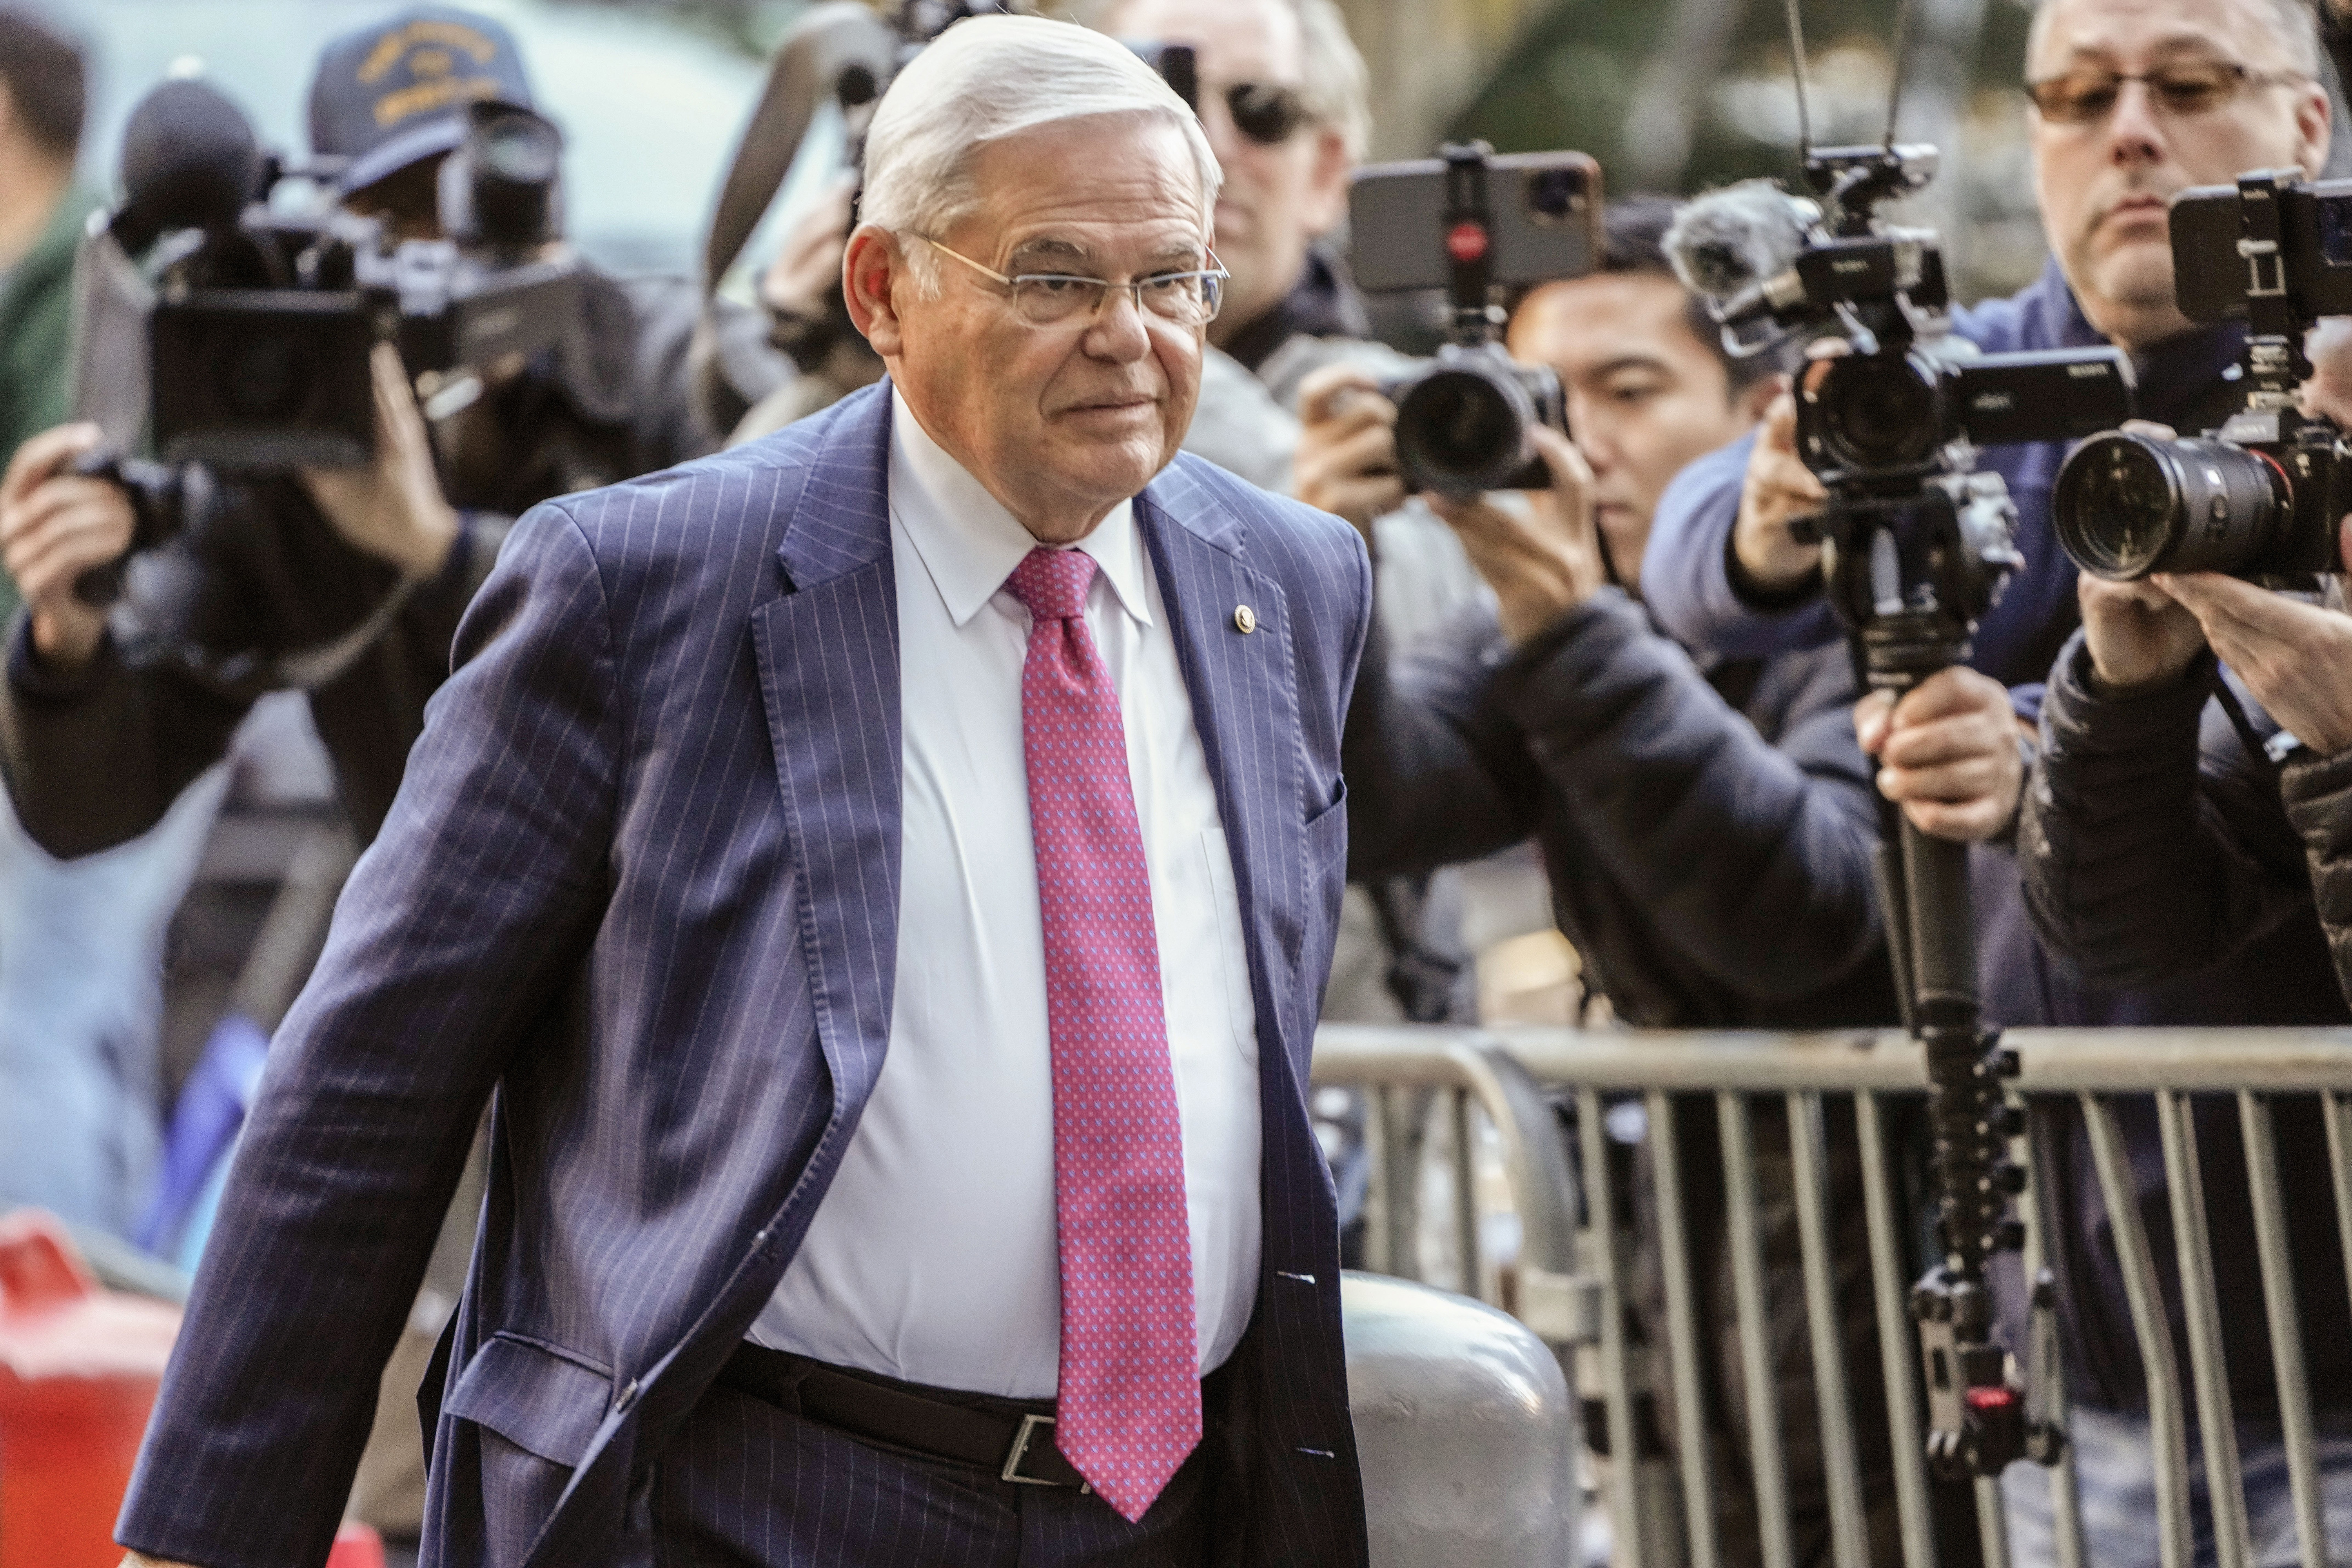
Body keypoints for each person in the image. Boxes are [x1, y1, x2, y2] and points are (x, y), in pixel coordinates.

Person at [114, 18, 1371, 1568]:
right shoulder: (643, 584)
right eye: (1054, 276)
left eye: (1173, 278)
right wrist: (203, 1542)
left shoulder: (1296, 581)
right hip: (753, 1498)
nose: (1133, 335)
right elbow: (371, 1081)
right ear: (881, 290)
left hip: (1173, 1511)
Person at [1650, 0, 2349, 1549]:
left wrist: (2051, 737)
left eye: (2188, 83)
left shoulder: (2336, 388)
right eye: (2077, 94)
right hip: (2075, 1292)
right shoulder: (1967, 374)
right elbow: (1694, 558)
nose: (2129, 133)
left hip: (2317, 1263)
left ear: (2305, 125)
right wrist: (1775, 514)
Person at [1296, 196, 1940, 1564]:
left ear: (1765, 409)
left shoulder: (1875, 596)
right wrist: (1317, 585)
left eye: (1630, 389)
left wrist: (1569, 623)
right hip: (1690, 1317)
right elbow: (1381, 808)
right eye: (1539, 392)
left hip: (1905, 1277)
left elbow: (1808, 919)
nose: (1574, 438)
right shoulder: (1552, 616)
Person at [0, 4, 717, 861]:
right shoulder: (298, 440)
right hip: (462, 960)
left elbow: (724, 661)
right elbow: (88, 811)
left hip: (685, 938)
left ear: (548, 197)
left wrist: (442, 551)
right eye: (407, 207)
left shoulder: (675, 366)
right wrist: (68, 638)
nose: (453, 246)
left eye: (487, 193)